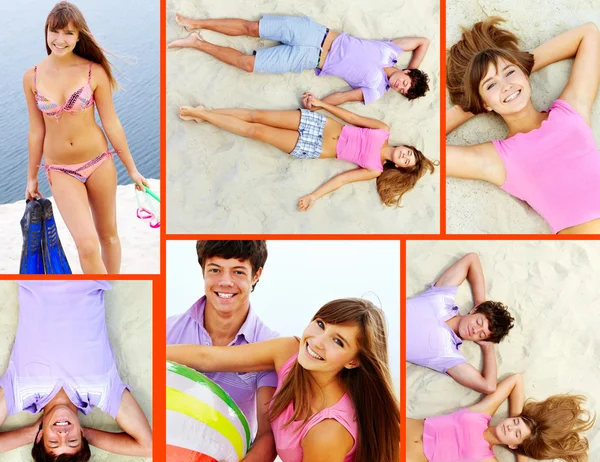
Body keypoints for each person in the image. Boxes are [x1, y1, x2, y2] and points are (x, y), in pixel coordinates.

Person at [168, 298, 400, 462]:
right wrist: (151, 354)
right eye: (320, 324)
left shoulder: (328, 430)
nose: (317, 342)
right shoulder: (288, 353)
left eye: (337, 341)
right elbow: (207, 357)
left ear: (353, 361)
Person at [24, 1, 149, 273]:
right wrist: (31, 177)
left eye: (69, 33)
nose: (60, 40)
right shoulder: (31, 77)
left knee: (109, 236)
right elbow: (36, 131)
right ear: (46, 32)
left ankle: (112, 291)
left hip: (99, 163)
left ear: (80, 35)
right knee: (87, 244)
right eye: (54, 32)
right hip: (60, 169)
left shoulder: (94, 72)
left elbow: (112, 123)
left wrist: (133, 169)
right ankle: (97, 296)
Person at [446, 18, 600, 234]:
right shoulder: (498, 159)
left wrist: (522, 64)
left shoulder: (570, 111)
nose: (506, 85)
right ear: (484, 104)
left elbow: (589, 33)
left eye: (509, 72)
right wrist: (473, 104)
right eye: (490, 84)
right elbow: (427, 148)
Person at [0, 281, 152, 462]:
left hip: (36, 276)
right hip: (89, 278)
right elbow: (148, 446)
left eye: (53, 442)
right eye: (72, 441)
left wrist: (30, 434)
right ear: (81, 434)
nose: (63, 434)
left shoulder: (18, 392)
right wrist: (85, 434)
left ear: (40, 437)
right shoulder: (104, 391)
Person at [167, 240, 279, 462]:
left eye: (238, 272)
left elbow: (269, 435)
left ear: (257, 275)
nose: (225, 282)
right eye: (215, 270)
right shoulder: (166, 329)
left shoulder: (268, 345)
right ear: (203, 272)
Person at [178, 95, 435, 210]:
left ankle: (202, 114)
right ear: (406, 147)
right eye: (409, 154)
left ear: (400, 168)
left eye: (407, 162)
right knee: (258, 116)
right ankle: (204, 114)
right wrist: (323, 104)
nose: (405, 157)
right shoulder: (383, 130)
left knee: (256, 132)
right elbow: (352, 116)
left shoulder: (374, 170)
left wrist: (314, 196)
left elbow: (342, 180)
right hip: (320, 124)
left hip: (314, 148)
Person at [407, 374, 595, 462]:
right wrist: (520, 422)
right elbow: (516, 380)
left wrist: (522, 454)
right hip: (408, 427)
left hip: (412, 458)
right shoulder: (483, 412)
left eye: (516, 434)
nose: (511, 427)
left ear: (513, 445)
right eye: (515, 422)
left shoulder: (486, 460)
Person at [168, 14, 430, 105]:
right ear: (407, 74)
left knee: (247, 64)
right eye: (406, 83)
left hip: (308, 58)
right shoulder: (391, 51)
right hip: (316, 33)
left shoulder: (376, 91)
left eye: (404, 92)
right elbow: (423, 42)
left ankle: (198, 43)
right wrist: (412, 67)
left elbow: (342, 97)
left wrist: (319, 104)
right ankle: (195, 23)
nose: (400, 87)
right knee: (251, 28)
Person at [406, 253, 514, 393]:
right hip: (374, 310)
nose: (475, 330)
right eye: (479, 322)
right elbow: (471, 259)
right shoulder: (441, 298)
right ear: (474, 310)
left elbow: (489, 386)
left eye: (481, 335)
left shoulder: (448, 356)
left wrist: (488, 347)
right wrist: (481, 302)